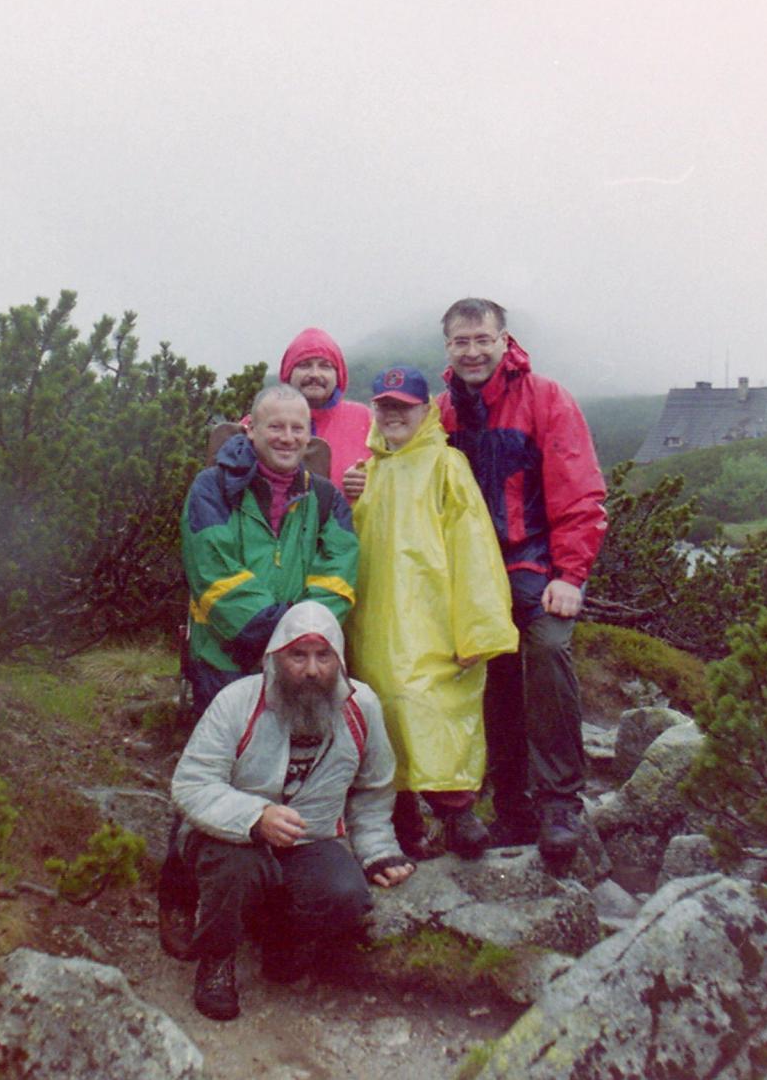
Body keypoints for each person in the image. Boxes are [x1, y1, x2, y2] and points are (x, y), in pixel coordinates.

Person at [170, 601, 415, 1021]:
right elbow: (191, 783)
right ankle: (216, 960)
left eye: (323, 656)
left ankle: (282, 940)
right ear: (275, 657)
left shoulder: (362, 707)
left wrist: (377, 850)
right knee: (236, 868)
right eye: (298, 655)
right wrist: (255, 817)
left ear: (339, 659)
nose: (312, 669)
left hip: (310, 838)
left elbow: (373, 787)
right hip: (229, 836)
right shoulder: (237, 702)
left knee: (346, 894)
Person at [435, 298, 608, 870]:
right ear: (447, 348)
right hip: (472, 576)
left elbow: (579, 490)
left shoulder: (546, 398)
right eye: (461, 342)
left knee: (549, 652)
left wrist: (571, 575)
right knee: (493, 678)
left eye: (482, 339)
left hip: (534, 565)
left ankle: (560, 804)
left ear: (505, 341)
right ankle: (511, 805)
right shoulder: (441, 414)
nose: (472, 352)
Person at [348, 365, 518, 860]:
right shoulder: (366, 472)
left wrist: (478, 631)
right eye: (385, 406)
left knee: (432, 708)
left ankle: (456, 812)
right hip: (374, 623)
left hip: (434, 622)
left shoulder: (447, 465)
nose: (393, 415)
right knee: (382, 715)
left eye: (404, 406)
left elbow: (474, 549)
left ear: (425, 410)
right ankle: (403, 824)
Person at [181, 382, 360, 713]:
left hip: (301, 665)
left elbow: (338, 577)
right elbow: (213, 572)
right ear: (251, 429)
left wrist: (301, 639)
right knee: (230, 745)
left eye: (297, 428)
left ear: (309, 434)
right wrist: (285, 633)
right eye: (275, 427)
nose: (287, 438)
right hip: (224, 660)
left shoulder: (327, 498)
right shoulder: (212, 488)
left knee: (300, 746)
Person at [279, 327, 374, 498]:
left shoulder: (366, 419)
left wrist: (373, 481)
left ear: (339, 375)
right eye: (304, 365)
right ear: (288, 374)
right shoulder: (260, 422)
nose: (315, 374)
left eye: (325, 366)